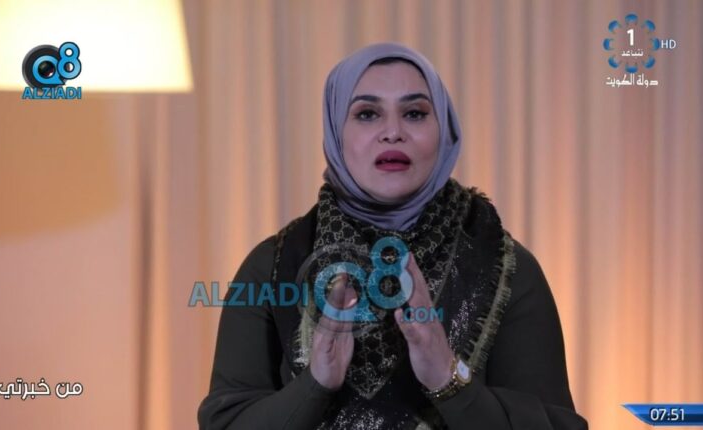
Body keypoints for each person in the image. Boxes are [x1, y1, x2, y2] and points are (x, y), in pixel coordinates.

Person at [198, 42, 588, 429]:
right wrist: (315, 384)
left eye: (414, 113)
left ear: (445, 131)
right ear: (335, 132)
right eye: (367, 114)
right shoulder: (274, 266)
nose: (393, 132)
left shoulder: (505, 268)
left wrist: (447, 377)